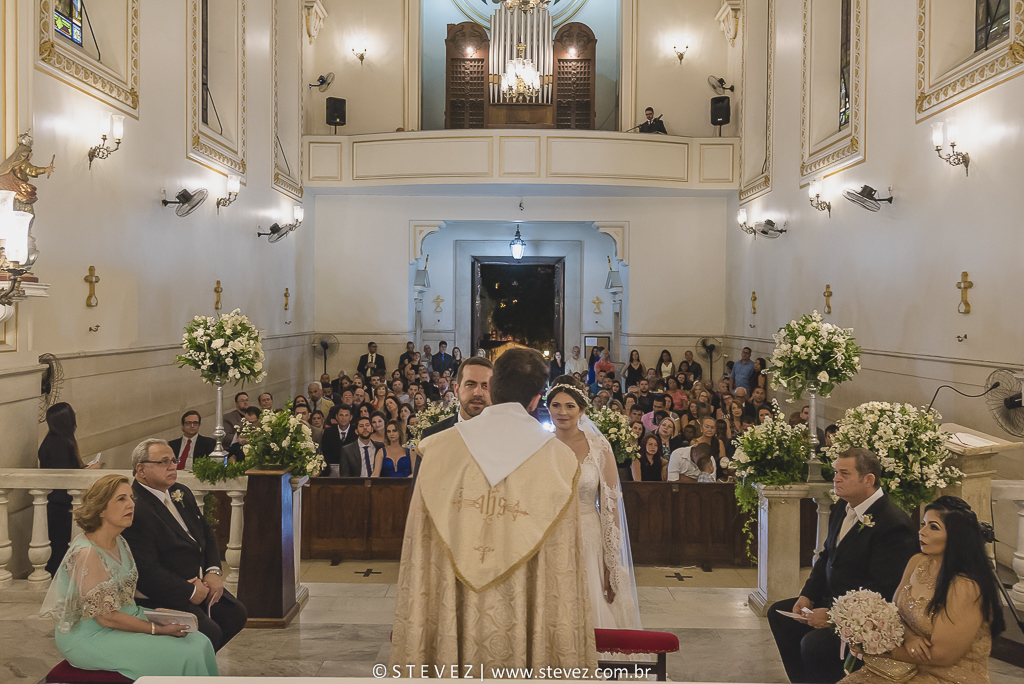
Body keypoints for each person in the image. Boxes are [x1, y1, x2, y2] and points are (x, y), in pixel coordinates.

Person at [390, 348, 598, 671]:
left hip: (454, 603)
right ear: (536, 400)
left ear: (494, 388)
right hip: (524, 608)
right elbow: (560, 562)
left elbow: (422, 545)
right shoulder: (559, 461)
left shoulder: (439, 449)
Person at [39, 474, 219, 678]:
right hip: (92, 635)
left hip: (128, 616)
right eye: (121, 499)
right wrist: (157, 629)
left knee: (200, 641)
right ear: (101, 509)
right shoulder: (87, 553)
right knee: (185, 654)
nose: (131, 504)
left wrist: (176, 597)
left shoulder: (120, 541)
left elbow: (127, 586)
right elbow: (105, 617)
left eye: (131, 498)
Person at [768, 448, 918, 684]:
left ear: (868, 480)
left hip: (867, 618)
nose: (836, 478)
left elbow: (885, 588)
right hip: (834, 599)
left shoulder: (893, 524)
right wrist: (808, 595)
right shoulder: (842, 507)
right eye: (836, 472)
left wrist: (833, 615)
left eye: (844, 474)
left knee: (814, 645)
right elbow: (828, 555)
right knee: (779, 615)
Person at [839, 496, 1005, 684]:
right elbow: (894, 613)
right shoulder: (917, 562)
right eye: (923, 524)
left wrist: (874, 648)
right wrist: (909, 637)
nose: (921, 532)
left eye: (933, 527)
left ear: (956, 536)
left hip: (946, 676)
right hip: (902, 668)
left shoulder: (965, 587)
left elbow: (941, 656)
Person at [120, 439, 248, 652]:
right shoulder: (136, 508)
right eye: (163, 462)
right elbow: (146, 570)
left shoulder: (181, 492)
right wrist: (190, 591)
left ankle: (196, 660)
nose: (172, 466)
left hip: (199, 582)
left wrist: (213, 571)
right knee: (210, 633)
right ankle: (187, 663)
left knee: (235, 614)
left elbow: (205, 533)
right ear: (141, 469)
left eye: (174, 460)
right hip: (166, 592)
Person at [547, 375, 641, 634]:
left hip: (589, 535)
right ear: (548, 408)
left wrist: (612, 561)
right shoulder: (541, 447)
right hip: (550, 537)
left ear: (582, 410)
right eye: (556, 405)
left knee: (592, 604)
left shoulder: (599, 447)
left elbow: (610, 505)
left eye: (569, 406)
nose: (562, 412)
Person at [39, 403, 99, 576]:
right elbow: (64, 477)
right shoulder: (58, 443)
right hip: (60, 502)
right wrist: (88, 471)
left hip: (59, 501)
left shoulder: (56, 440)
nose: (75, 414)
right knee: (59, 546)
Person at [412, 357, 494, 482]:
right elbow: (419, 489)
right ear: (456, 389)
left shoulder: (506, 438)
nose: (478, 393)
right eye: (470, 385)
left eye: (485, 386)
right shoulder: (432, 437)